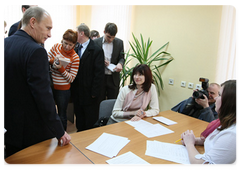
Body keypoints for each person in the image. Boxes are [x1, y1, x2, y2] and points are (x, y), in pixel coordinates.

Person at [2, 6, 71, 158]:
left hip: (8, 126)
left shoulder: (4, 44)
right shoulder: (36, 51)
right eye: (48, 28)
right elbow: (43, 96)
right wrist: (59, 131)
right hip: (30, 132)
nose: (50, 34)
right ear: (33, 22)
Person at [180, 80, 237, 165]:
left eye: (220, 95)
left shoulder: (233, 135)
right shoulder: (228, 121)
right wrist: (194, 140)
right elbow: (215, 139)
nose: (215, 98)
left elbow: (201, 164)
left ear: (230, 102)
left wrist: (189, 144)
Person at [71, 23, 105, 132]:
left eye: (77, 33)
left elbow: (99, 73)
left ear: (82, 33)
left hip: (90, 93)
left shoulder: (96, 49)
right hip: (77, 91)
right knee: (79, 117)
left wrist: (94, 92)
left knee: (89, 120)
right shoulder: (75, 48)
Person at [48, 29, 80, 131]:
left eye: (70, 45)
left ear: (74, 45)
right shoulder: (56, 46)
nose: (67, 47)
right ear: (62, 40)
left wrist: (61, 68)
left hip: (63, 90)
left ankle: (62, 136)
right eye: (65, 43)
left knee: (62, 114)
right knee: (49, 112)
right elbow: (47, 58)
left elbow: (71, 78)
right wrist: (53, 62)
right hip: (50, 85)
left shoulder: (75, 57)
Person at [94, 22, 125, 102]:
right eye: (108, 37)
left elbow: (121, 58)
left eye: (113, 37)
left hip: (113, 78)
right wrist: (101, 61)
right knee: (99, 102)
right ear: (104, 32)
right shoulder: (96, 42)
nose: (110, 39)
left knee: (112, 103)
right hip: (100, 78)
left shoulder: (119, 43)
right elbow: (92, 60)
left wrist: (120, 64)